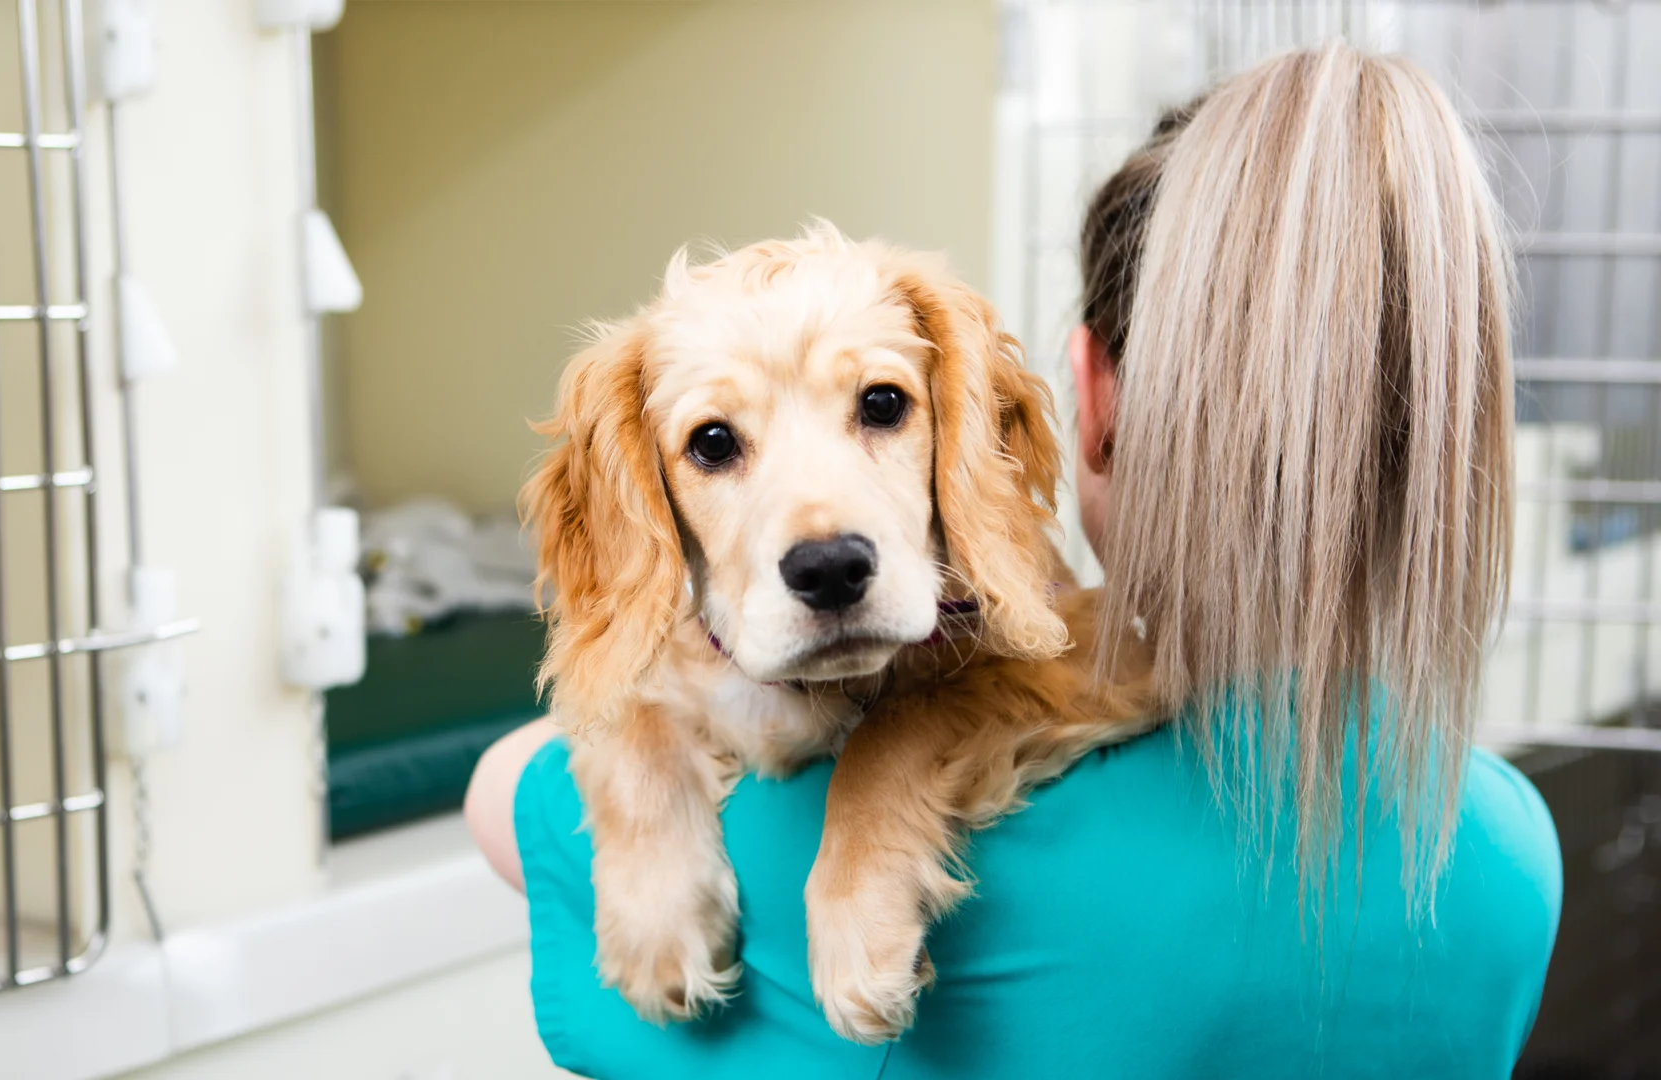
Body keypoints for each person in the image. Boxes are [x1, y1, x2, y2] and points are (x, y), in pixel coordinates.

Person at [467, 42, 1561, 1079]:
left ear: (1085, 400)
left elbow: (506, 793)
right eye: (717, 446)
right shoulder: (1507, 851)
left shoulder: (818, 883)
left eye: (882, 407)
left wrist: (678, 739)